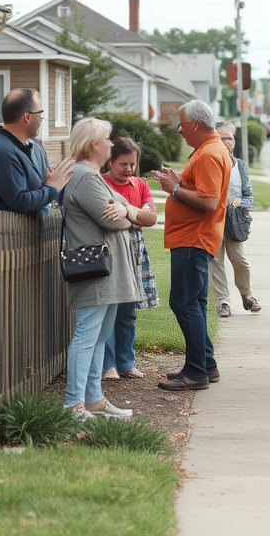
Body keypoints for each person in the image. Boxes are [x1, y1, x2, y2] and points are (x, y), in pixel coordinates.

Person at [60, 118, 143, 420]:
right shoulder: (83, 176)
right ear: (95, 144)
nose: (111, 144)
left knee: (99, 336)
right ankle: (73, 404)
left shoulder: (91, 175)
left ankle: (93, 398)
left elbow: (124, 212)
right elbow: (111, 219)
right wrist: (128, 215)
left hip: (108, 273)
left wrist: (126, 211)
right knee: (87, 335)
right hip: (95, 273)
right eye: (107, 139)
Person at [152, 100, 233, 391]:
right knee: (194, 304)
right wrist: (180, 180)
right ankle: (204, 365)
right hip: (195, 238)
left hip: (193, 238)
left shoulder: (209, 154)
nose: (180, 131)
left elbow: (209, 202)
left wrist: (173, 188)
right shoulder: (207, 150)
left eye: (183, 125)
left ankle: (197, 372)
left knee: (184, 303)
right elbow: (201, 190)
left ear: (196, 125)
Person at [101, 137, 159, 380]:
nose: (128, 170)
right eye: (123, 164)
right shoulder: (100, 183)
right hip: (111, 250)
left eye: (132, 164)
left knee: (127, 311)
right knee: (108, 310)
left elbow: (152, 218)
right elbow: (110, 220)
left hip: (135, 251)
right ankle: (108, 364)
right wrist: (136, 216)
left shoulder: (140, 185)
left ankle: (127, 362)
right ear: (110, 161)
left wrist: (128, 212)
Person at [0, 88, 73, 213]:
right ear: (27, 117)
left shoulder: (36, 147)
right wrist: (51, 188)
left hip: (37, 232)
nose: (41, 120)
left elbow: (47, 187)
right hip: (8, 232)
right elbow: (20, 202)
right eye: (40, 115)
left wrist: (57, 184)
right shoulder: (3, 153)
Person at [211, 122, 261, 318]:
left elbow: (249, 197)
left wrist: (237, 203)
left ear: (234, 141)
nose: (225, 142)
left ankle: (247, 296)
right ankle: (223, 301)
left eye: (229, 138)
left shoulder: (239, 165)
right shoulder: (208, 162)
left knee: (241, 261)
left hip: (235, 223)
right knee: (215, 262)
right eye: (220, 138)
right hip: (212, 222)